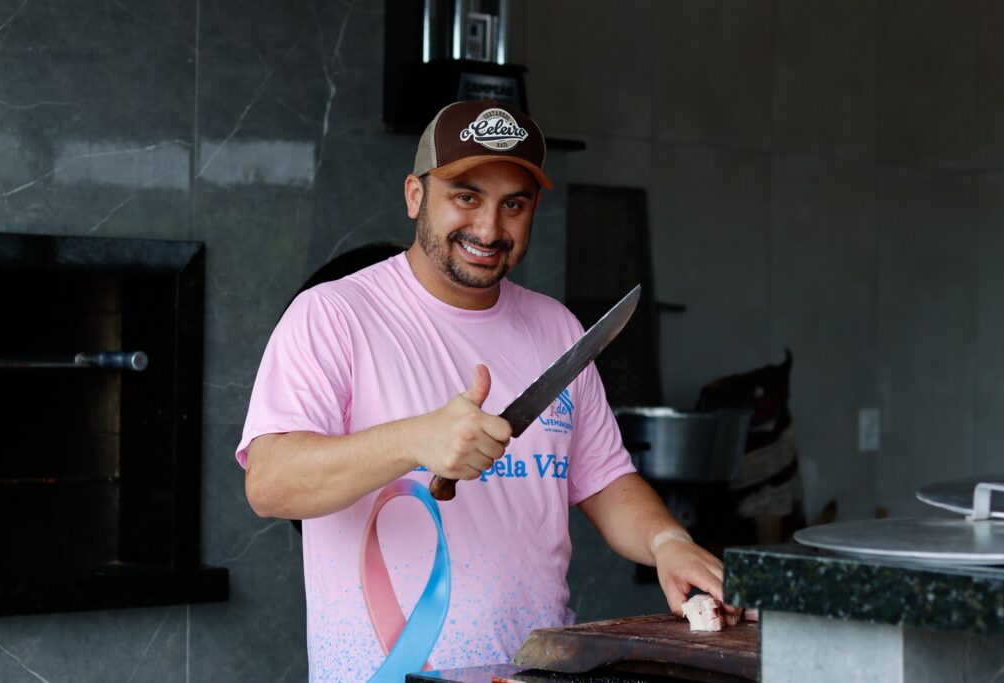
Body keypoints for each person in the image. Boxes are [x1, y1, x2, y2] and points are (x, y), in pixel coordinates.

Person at [236, 100, 730, 681]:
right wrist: (416, 439)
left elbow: (604, 479)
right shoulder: (334, 316)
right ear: (416, 196)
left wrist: (666, 541)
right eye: (466, 196)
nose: (490, 228)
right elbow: (269, 483)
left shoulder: (556, 330)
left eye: (513, 205)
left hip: (532, 674)